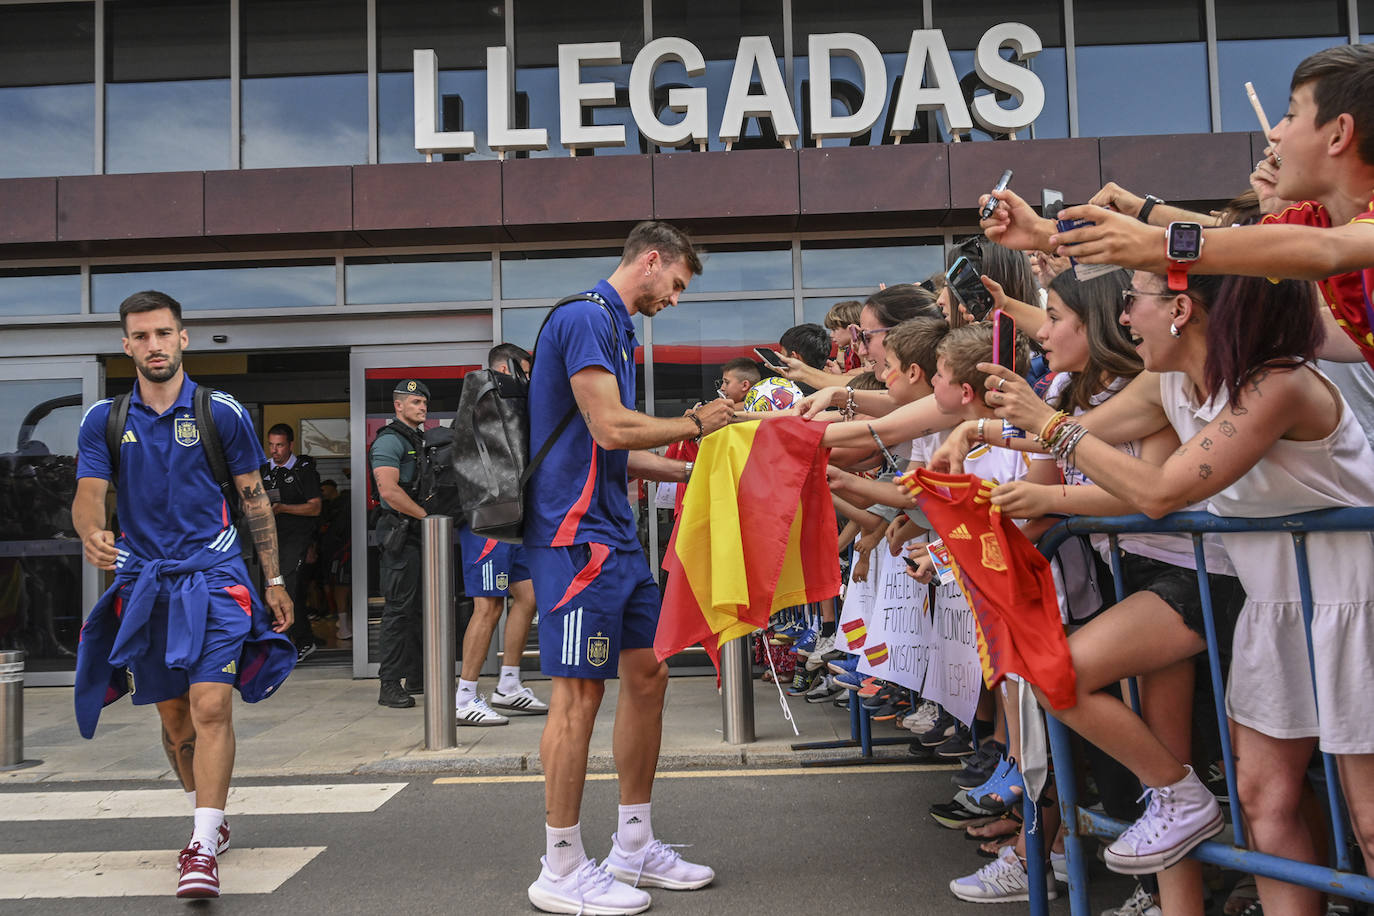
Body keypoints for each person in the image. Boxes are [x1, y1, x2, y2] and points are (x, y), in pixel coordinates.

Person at [960, 270, 1374, 916]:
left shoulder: (1280, 382)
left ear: (1181, 308)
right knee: (1264, 801)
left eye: (1132, 301)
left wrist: (1048, 428)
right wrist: (987, 432)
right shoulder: (1170, 381)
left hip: (1354, 603)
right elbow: (1077, 431)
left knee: (1369, 821)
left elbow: (1158, 490)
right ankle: (1186, 807)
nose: (1123, 318)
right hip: (1276, 605)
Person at [524, 221, 734, 915]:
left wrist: (691, 469)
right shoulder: (587, 316)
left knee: (649, 673)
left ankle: (634, 846)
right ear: (650, 260)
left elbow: (614, 449)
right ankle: (560, 866)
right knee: (579, 696)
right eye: (675, 284)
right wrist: (697, 424)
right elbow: (612, 427)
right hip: (575, 539)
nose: (674, 299)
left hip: (613, 536)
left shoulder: (619, 329)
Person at [72, 290, 294, 899]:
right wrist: (91, 531)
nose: (155, 345)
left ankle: (200, 845)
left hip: (215, 577)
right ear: (126, 346)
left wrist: (274, 579)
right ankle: (209, 814)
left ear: (183, 338)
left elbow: (254, 498)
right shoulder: (104, 419)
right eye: (142, 336)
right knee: (175, 723)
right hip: (147, 584)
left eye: (164, 333)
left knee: (211, 705)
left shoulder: (220, 411)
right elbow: (89, 494)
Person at [981, 44, 1374, 368]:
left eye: (1291, 115)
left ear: (1339, 133)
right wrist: (1045, 233)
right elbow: (1232, 239)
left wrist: (1152, 243)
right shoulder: (1315, 221)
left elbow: (1324, 251)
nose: (1274, 133)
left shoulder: (1329, 237)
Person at [454, 343, 546, 725]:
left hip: (515, 519)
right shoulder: (483, 398)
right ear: (506, 368)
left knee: (528, 596)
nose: (529, 377)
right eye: (524, 369)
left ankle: (508, 684)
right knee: (489, 606)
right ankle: (464, 697)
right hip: (489, 521)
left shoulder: (513, 406)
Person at [369, 378, 431, 709]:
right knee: (398, 610)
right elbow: (389, 492)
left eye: (424, 402)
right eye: (415, 402)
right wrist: (428, 518)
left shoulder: (418, 440)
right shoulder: (389, 441)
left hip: (418, 535)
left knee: (419, 609)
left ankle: (417, 676)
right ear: (398, 405)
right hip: (401, 535)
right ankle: (389, 683)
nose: (422, 407)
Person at [261, 423, 322, 662]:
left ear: (291, 445)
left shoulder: (303, 471)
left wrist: (283, 508)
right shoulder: (263, 470)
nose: (274, 450)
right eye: (271, 445)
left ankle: (298, 642)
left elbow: (315, 508)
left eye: (280, 445)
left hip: (296, 540)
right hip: (268, 541)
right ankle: (279, 643)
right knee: (269, 590)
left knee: (286, 589)